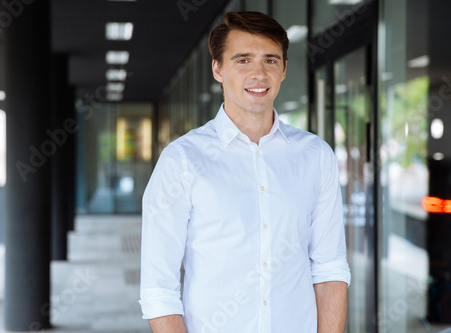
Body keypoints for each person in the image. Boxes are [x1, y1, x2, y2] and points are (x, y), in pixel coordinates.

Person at [139, 11, 351, 333]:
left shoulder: (316, 156)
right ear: (218, 69)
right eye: (243, 60)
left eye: (270, 60)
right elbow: (159, 289)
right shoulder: (182, 160)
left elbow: (329, 268)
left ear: (282, 70)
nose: (259, 73)